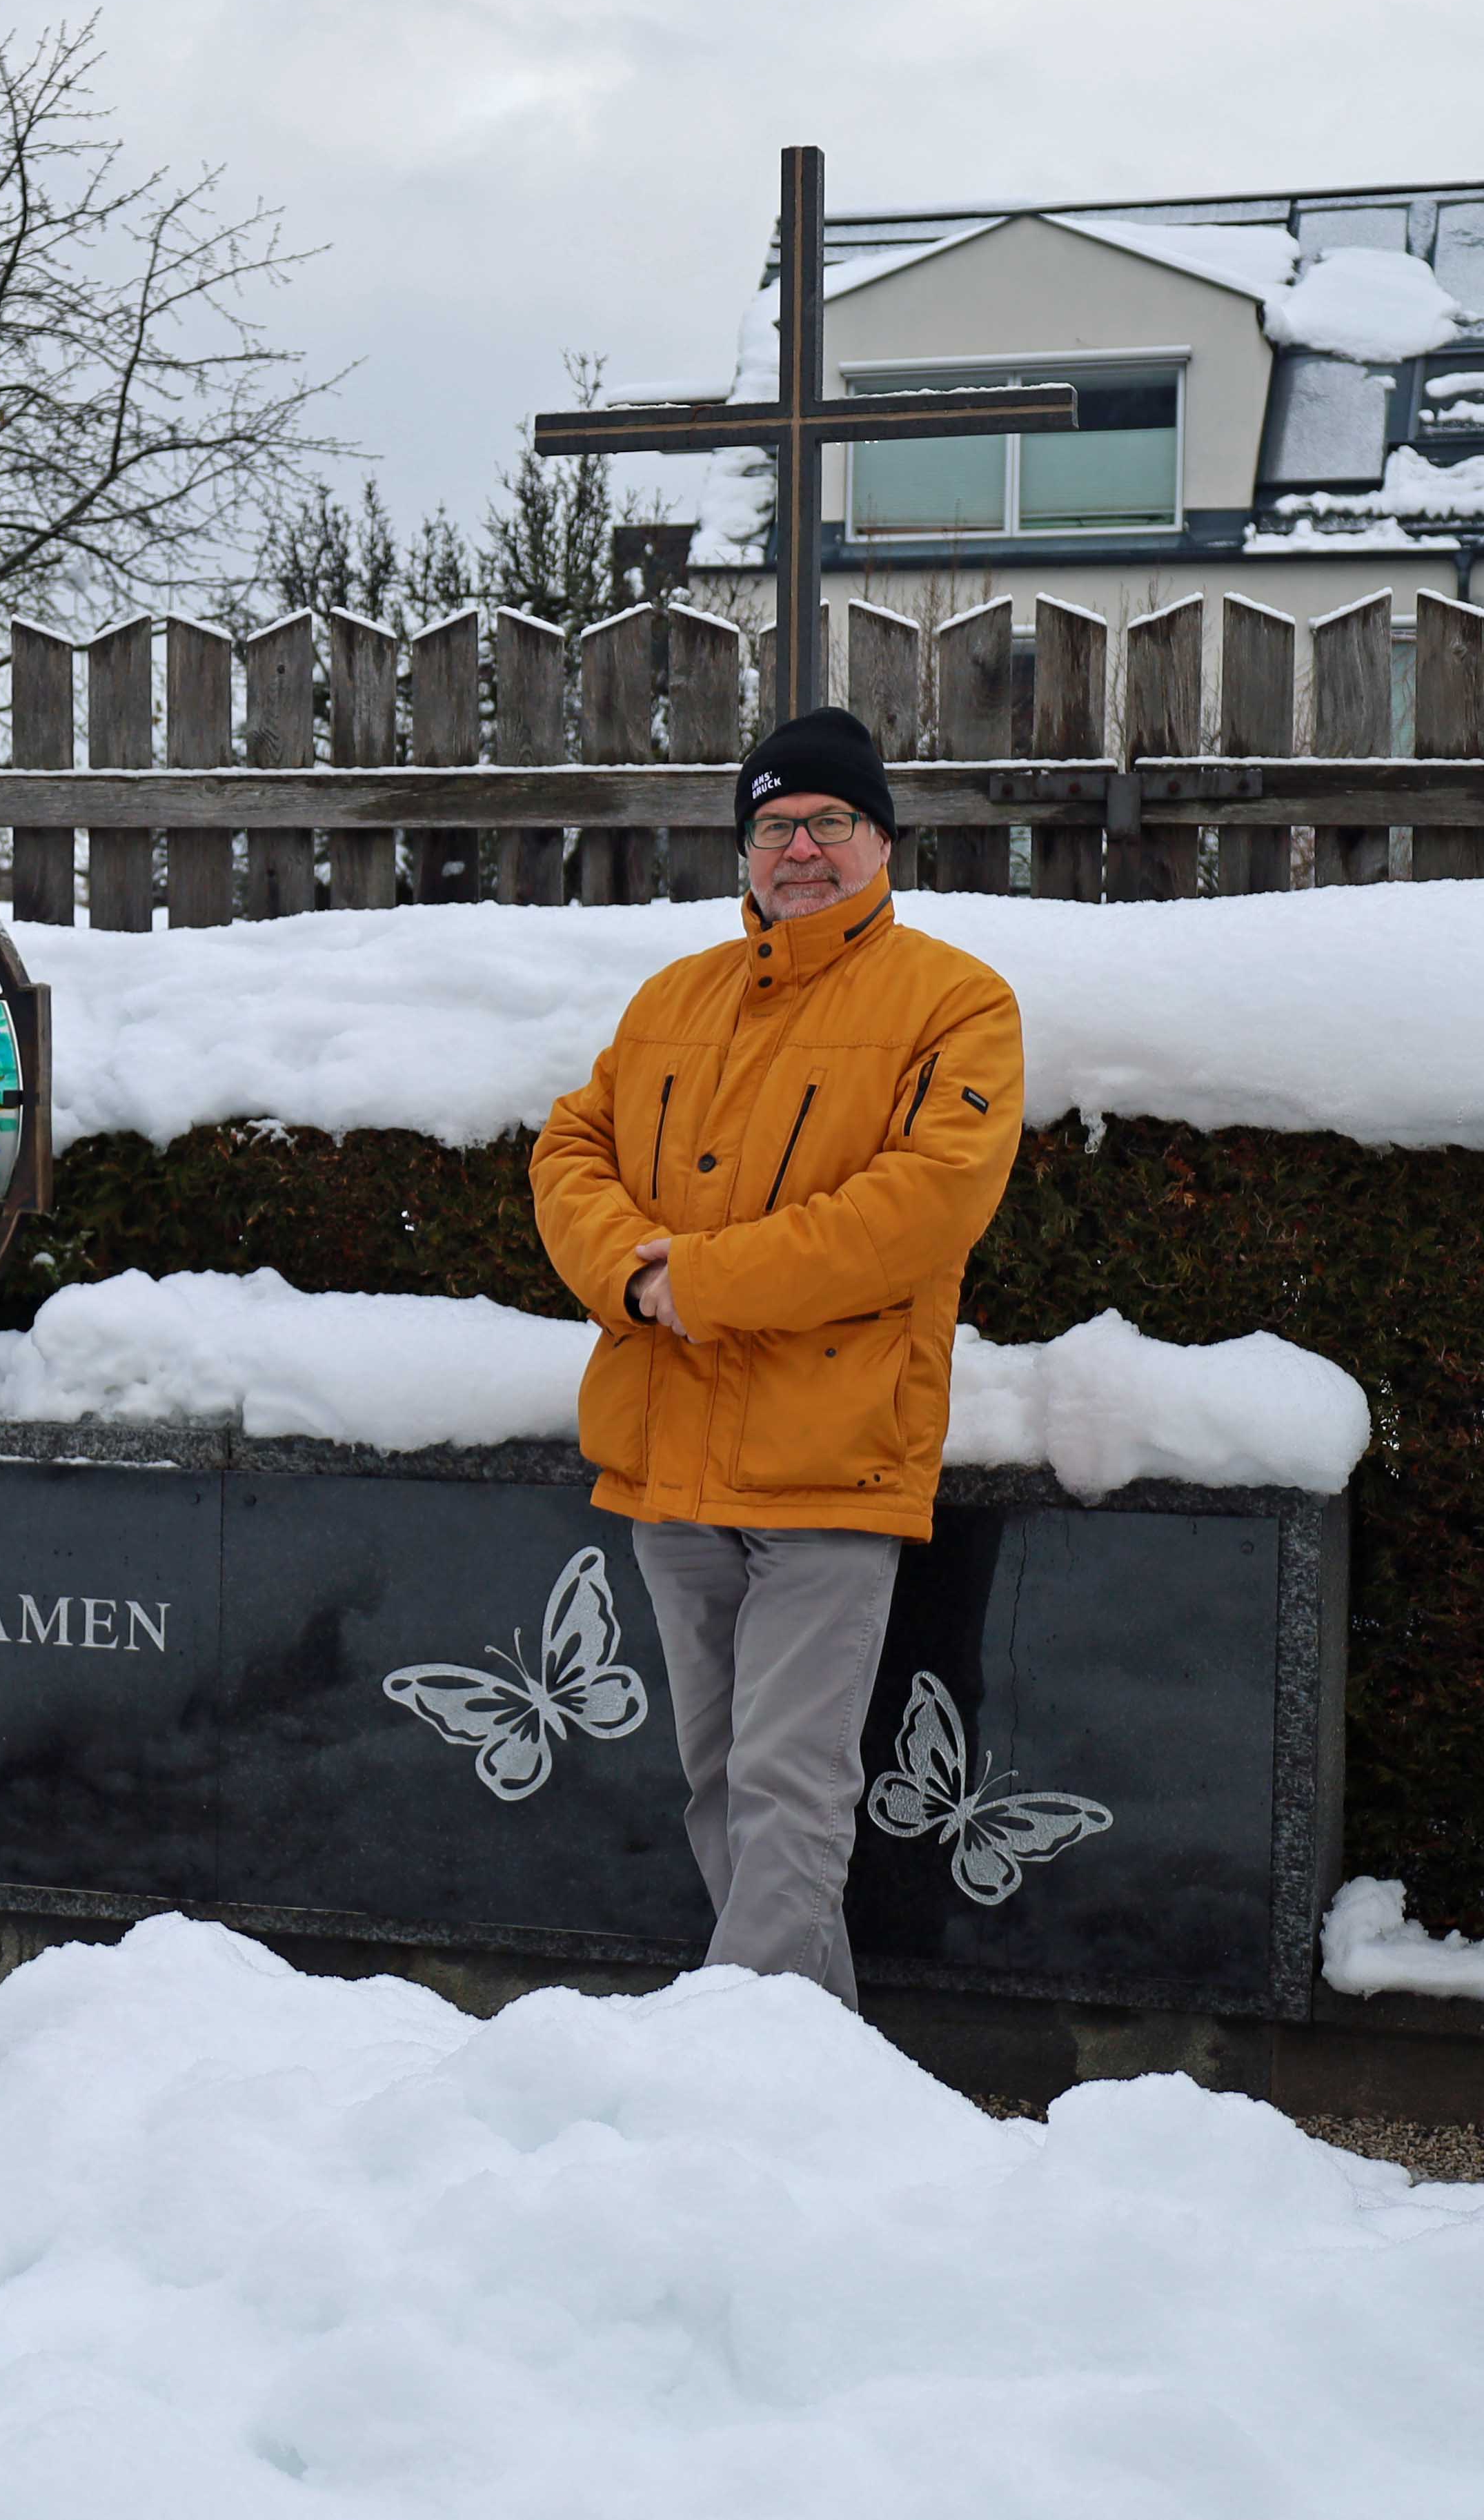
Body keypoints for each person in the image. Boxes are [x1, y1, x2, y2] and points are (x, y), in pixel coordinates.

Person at [527, 706, 1025, 2007]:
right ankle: (819, 2084)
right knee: (723, 1792)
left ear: (883, 842)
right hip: (669, 1462)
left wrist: (703, 1282)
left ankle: (729, 2077)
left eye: (829, 822)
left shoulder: (955, 1001)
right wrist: (638, 1274)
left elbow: (920, 1208)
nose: (800, 849)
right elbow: (567, 1154)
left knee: (790, 1792)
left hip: (829, 1462)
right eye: (773, 825)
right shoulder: (670, 1001)